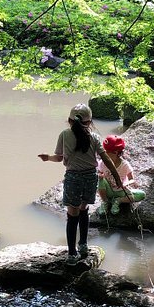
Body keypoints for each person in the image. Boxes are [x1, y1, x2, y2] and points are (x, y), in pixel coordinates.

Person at [39, 104, 122, 265]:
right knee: (84, 209)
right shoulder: (95, 137)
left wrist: (47, 157)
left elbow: (59, 157)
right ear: (89, 122)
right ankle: (83, 245)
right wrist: (116, 176)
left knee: (72, 215)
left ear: (69, 120)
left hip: (73, 178)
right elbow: (105, 158)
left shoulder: (64, 134)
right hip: (91, 177)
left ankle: (71, 254)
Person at [96, 135, 146, 216]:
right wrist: (100, 176)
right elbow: (99, 173)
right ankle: (105, 202)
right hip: (108, 190)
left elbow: (132, 179)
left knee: (142, 195)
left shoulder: (125, 165)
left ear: (115, 152)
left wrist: (127, 184)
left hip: (121, 191)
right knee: (100, 180)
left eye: (106, 152)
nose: (103, 154)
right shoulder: (102, 163)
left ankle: (118, 201)